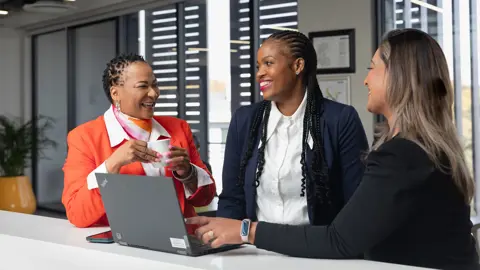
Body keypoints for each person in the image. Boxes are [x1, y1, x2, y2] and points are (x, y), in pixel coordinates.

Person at [187, 29, 480, 270]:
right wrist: (226, 239)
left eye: (372, 68)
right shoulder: (425, 149)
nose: (365, 79)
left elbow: (343, 237)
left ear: (399, 76)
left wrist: (245, 230)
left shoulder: (400, 154)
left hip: (323, 256)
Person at [216, 30, 369, 228]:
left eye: (268, 63)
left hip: (318, 251)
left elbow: (355, 202)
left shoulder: (340, 119)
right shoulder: (244, 120)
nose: (259, 73)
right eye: (258, 66)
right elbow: (232, 198)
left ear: (298, 65)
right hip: (254, 251)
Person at [62, 53, 216, 228]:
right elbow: (77, 214)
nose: (154, 93)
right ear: (115, 93)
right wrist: (113, 164)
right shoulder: (84, 137)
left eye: (155, 85)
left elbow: (207, 197)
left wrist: (187, 172)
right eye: (143, 86)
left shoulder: (178, 128)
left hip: (182, 241)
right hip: (122, 246)